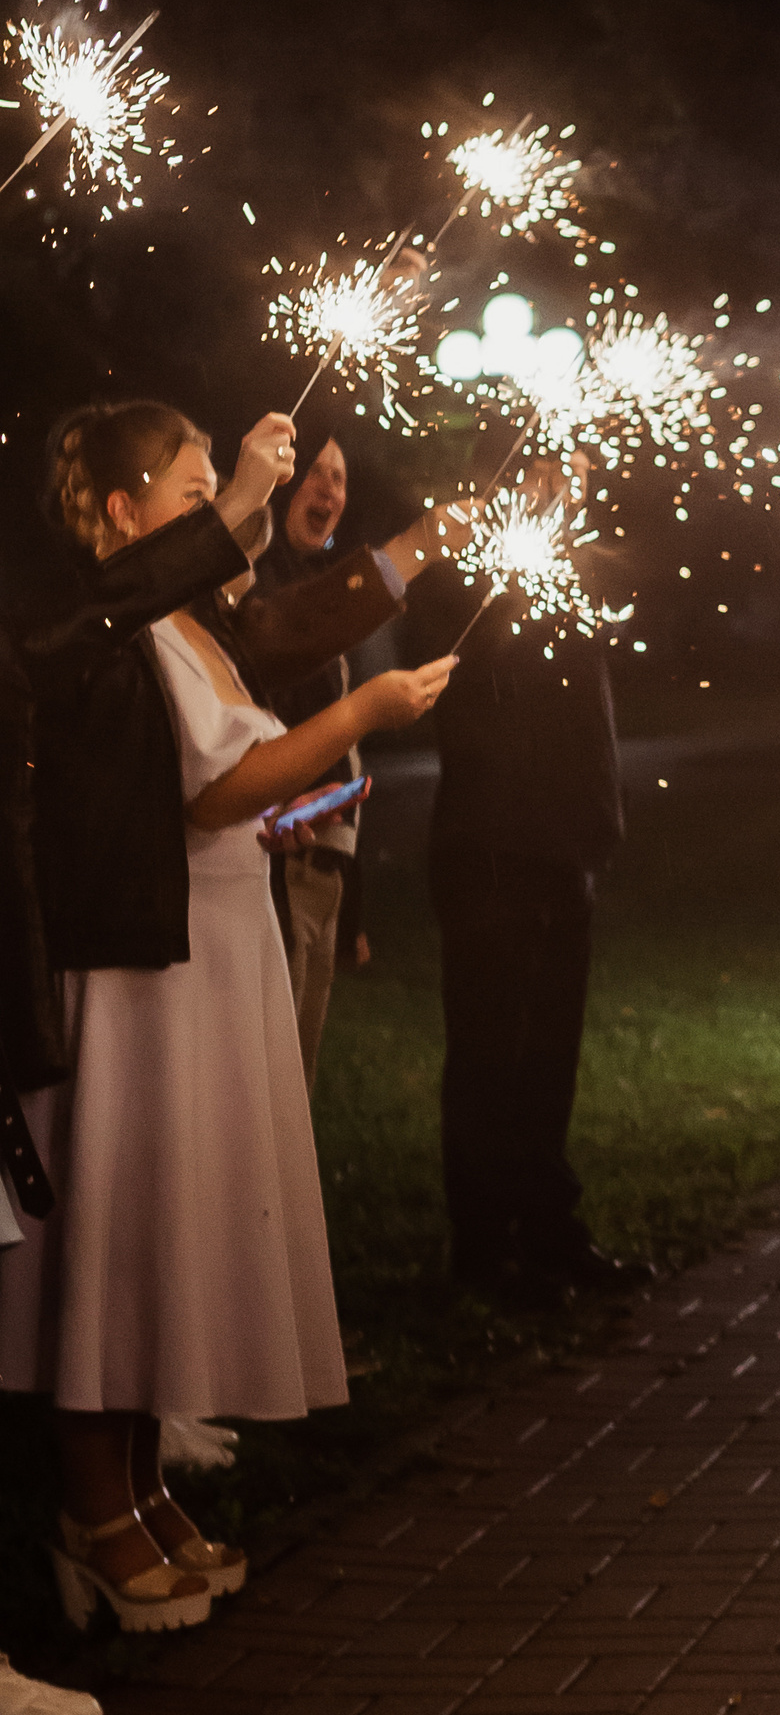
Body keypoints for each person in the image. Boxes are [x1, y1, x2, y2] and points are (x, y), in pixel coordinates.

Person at [0, 401, 452, 1634]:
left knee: (169, 1228)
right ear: (122, 513)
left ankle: (143, 1487)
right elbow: (210, 791)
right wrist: (356, 718)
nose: (228, 513)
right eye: (199, 493)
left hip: (208, 954)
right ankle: (92, 1507)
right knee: (119, 1232)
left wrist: (292, 805)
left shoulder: (194, 625)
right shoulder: (109, 627)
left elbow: (218, 777)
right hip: (142, 976)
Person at [407, 459, 650, 1303]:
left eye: (578, 471)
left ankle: (548, 1225)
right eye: (554, 469)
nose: (571, 484)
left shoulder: (575, 563)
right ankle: (486, 1245)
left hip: (566, 841)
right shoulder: (466, 568)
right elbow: (464, 650)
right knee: (491, 1051)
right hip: (492, 844)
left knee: (548, 1051)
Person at [247, 433, 473, 1086]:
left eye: (339, 477)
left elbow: (339, 772)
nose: (327, 489)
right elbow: (289, 647)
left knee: (296, 1084)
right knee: (267, 1087)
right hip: (270, 870)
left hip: (321, 871)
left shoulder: (314, 584)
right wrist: (417, 545)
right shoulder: (257, 587)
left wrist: (349, 910)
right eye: (312, 470)